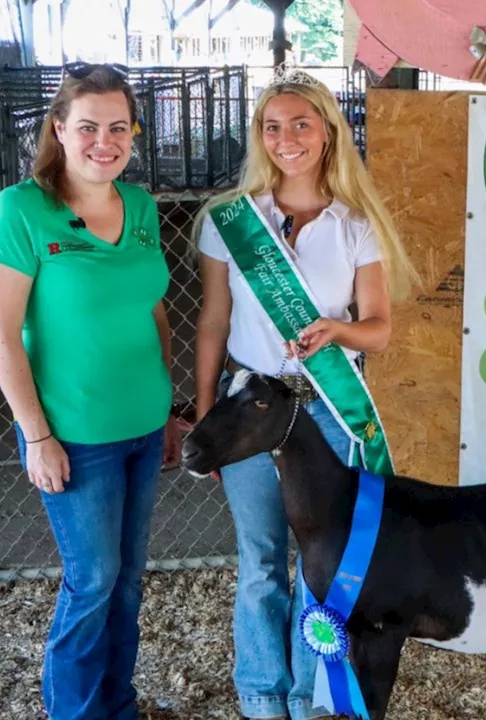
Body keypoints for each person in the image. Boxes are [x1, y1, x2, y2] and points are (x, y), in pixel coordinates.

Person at [191, 68, 418, 720]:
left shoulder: (356, 225)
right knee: (259, 559)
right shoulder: (228, 222)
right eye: (272, 127)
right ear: (259, 138)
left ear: (326, 133)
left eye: (300, 124)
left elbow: (377, 331)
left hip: (324, 408)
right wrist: (207, 415)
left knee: (321, 562)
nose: (286, 138)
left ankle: (309, 695)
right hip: (249, 411)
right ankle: (263, 695)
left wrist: (338, 328)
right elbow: (211, 321)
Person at [0, 61, 182, 720]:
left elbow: (154, 311)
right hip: (74, 433)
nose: (105, 141)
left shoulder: (142, 207)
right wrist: (37, 435)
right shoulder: (22, 210)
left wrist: (172, 408)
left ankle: (116, 706)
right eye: (88, 126)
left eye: (119, 127)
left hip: (145, 425)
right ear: (59, 130)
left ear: (133, 134)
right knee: (92, 581)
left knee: (125, 585)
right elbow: (2, 336)